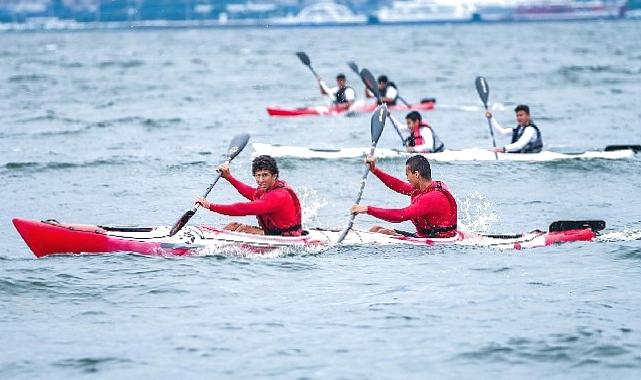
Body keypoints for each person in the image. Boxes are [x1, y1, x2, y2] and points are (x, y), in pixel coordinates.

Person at [350, 155, 457, 238]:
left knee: (382, 232)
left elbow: (400, 215)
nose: (407, 179)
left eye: (407, 174)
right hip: (425, 236)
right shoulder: (422, 188)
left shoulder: (431, 198)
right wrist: (375, 170)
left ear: (416, 174)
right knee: (375, 229)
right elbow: (399, 186)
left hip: (439, 240)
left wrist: (368, 209)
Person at [195, 155, 303, 236]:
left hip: (285, 238)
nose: (261, 180)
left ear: (275, 176)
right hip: (273, 232)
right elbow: (250, 192)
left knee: (242, 230)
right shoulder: (267, 189)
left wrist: (210, 206)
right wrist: (229, 177)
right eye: (258, 175)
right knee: (232, 226)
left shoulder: (278, 196)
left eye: (265, 175)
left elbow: (243, 209)